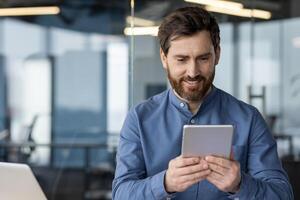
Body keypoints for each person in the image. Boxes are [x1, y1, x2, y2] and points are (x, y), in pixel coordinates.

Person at [112, 6, 293, 200]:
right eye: (181, 59)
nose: (192, 72)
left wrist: (240, 184)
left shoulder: (249, 119)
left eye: (203, 58)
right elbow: (121, 193)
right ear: (164, 58)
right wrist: (165, 183)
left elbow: (282, 194)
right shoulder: (139, 119)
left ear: (217, 54)